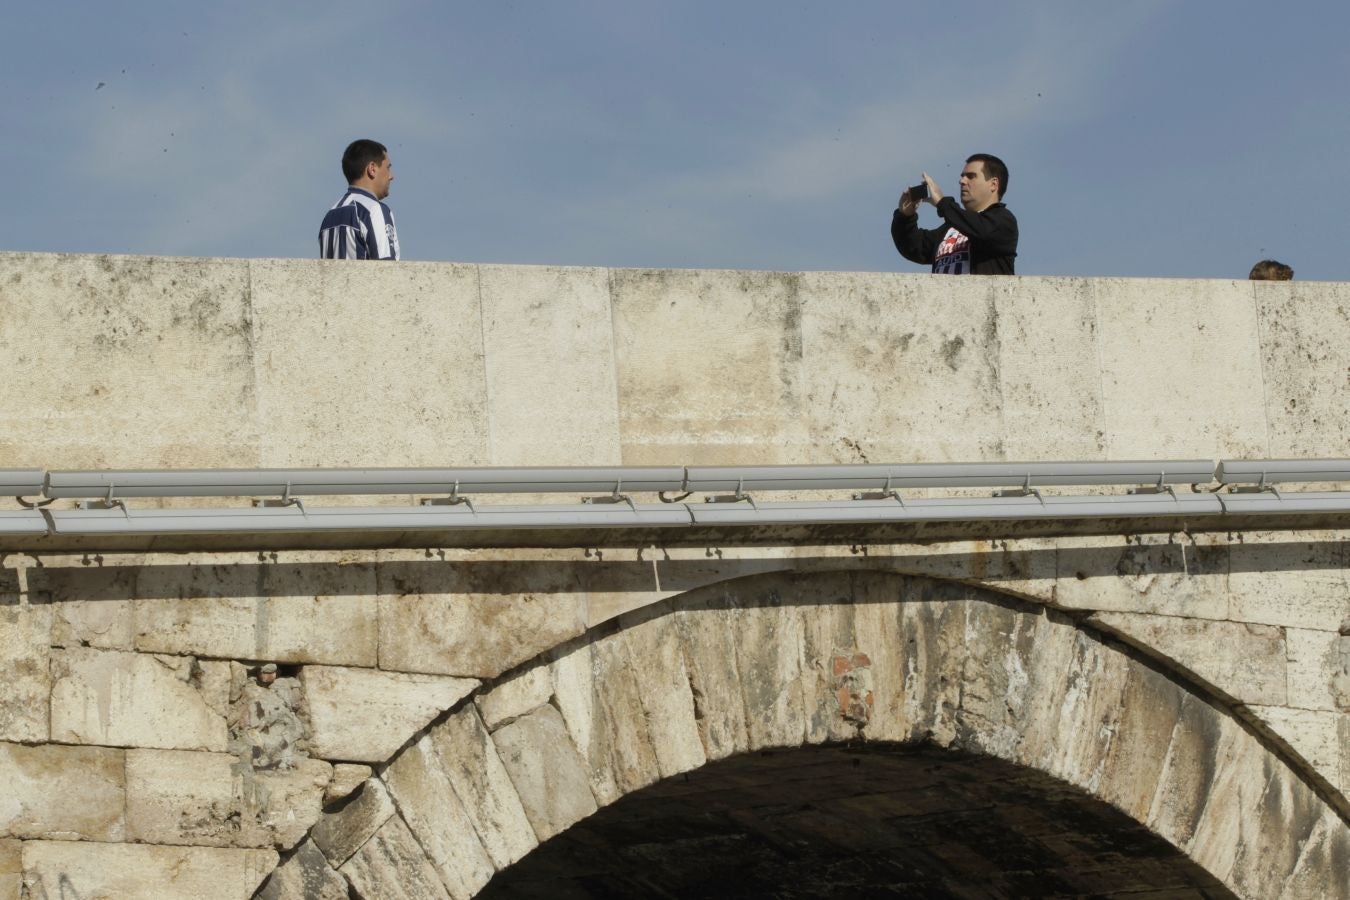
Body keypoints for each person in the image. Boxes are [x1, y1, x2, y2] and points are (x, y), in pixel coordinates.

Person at [891, 154, 1017, 275]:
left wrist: (942, 202)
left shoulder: (1004, 221)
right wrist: (905, 217)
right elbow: (913, 247)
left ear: (993, 184)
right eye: (962, 176)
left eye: (971, 176)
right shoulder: (951, 228)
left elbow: (982, 231)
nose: (962, 181)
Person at [319, 139, 400, 260]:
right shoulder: (374, 210)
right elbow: (386, 267)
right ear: (372, 169)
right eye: (387, 168)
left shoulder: (330, 215)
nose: (391, 176)